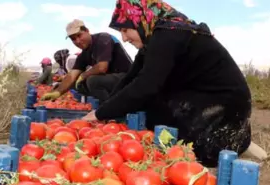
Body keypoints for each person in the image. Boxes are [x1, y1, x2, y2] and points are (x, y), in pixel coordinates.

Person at [80, 0, 257, 167]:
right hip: (199, 97)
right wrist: (105, 110)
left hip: (224, 104)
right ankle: (233, 137)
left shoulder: (169, 33)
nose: (124, 39)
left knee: (197, 151)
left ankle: (234, 138)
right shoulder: (153, 39)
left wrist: (100, 114)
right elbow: (131, 78)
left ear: (141, 20)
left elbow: (146, 86)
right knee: (152, 113)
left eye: (126, 30)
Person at [41, 19, 133, 102]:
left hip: (128, 78)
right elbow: (71, 76)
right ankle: (103, 105)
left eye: (79, 35)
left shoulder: (103, 38)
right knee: (75, 83)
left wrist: (84, 75)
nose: (77, 41)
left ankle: (112, 110)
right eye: (73, 39)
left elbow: (102, 67)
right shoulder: (84, 54)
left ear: (87, 31)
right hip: (111, 80)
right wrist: (57, 92)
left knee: (92, 80)